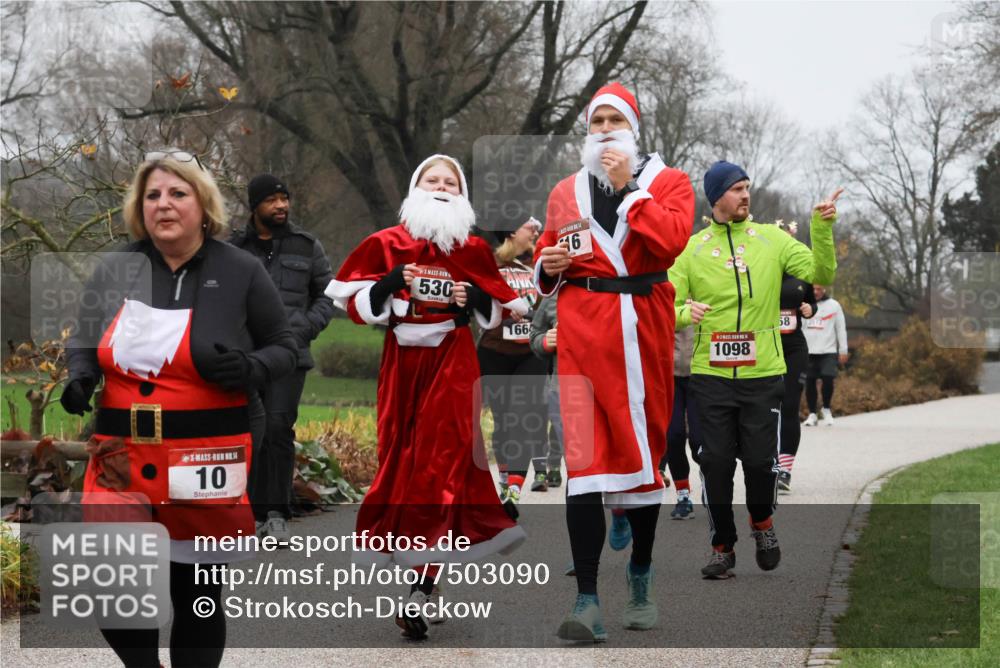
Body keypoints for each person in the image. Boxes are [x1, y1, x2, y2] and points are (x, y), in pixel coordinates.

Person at [61, 149, 298, 667]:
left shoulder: (241, 270)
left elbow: (285, 346)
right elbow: (82, 339)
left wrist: (252, 367)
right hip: (121, 452)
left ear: (202, 203)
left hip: (206, 455)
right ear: (138, 207)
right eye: (152, 196)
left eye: (177, 193)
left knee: (197, 595)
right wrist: (81, 376)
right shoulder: (115, 269)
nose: (163, 205)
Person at [325, 154, 528, 640]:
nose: (441, 187)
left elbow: (503, 310)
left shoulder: (474, 249)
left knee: (443, 463)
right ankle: (425, 577)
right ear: (416, 189)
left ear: (462, 196)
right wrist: (393, 283)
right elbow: (352, 302)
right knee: (403, 462)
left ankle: (422, 585)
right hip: (401, 364)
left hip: (453, 363)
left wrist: (471, 300)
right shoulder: (386, 243)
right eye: (432, 180)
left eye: (451, 182)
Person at [535, 82, 694, 641]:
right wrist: (549, 264)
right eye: (595, 120)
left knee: (641, 465)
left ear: (632, 128)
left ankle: (642, 576)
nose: (603, 129)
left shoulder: (669, 182)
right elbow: (547, 255)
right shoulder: (564, 192)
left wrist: (629, 188)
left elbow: (672, 241)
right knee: (582, 472)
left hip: (642, 332)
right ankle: (586, 601)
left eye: (614, 120)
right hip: (581, 331)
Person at [671, 160, 839, 580]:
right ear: (716, 197)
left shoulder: (771, 240)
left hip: (763, 373)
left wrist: (821, 227)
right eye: (737, 189)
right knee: (715, 464)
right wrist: (681, 313)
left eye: (748, 187)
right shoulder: (691, 250)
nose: (746, 195)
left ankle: (762, 524)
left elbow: (822, 273)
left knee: (762, 465)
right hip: (710, 375)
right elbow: (659, 305)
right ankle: (722, 546)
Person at [229, 174, 335, 540]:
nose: (281, 206)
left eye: (285, 198)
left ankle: (277, 514)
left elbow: (328, 295)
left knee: (277, 428)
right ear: (254, 205)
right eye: (272, 199)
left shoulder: (306, 246)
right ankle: (252, 513)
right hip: (247, 356)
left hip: (290, 354)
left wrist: (304, 328)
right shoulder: (234, 248)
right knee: (250, 432)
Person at [476, 217, 547, 510]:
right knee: (504, 418)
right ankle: (505, 479)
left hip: (530, 353)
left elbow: (551, 300)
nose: (535, 231)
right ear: (510, 232)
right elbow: (477, 302)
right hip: (494, 351)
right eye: (528, 226)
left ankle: (514, 490)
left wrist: (535, 316)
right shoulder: (488, 263)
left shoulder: (540, 264)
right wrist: (503, 308)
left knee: (523, 416)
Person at [774, 220, 818, 491]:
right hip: (765, 345)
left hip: (794, 347)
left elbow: (812, 301)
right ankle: (766, 464)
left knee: (789, 406)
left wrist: (809, 309)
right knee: (766, 408)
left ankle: (784, 471)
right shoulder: (762, 270)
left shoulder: (802, 272)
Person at [662, 319, 700, 519]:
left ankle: (710, 479)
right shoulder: (665, 291)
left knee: (699, 441)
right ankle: (683, 496)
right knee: (674, 436)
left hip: (700, 374)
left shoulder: (707, 291)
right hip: (670, 376)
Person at [528, 292, 564, 489]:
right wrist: (544, 341)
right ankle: (542, 469)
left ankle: (554, 464)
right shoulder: (552, 293)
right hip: (541, 368)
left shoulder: (606, 290)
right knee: (538, 417)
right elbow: (535, 332)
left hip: (599, 384)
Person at [802, 284, 849, 427]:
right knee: (809, 382)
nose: (816, 292)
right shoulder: (804, 304)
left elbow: (840, 328)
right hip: (808, 350)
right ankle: (812, 414)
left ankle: (826, 409)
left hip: (828, 350)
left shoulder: (834, 306)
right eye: (813, 289)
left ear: (825, 289)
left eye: (819, 289)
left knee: (828, 379)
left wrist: (843, 350)